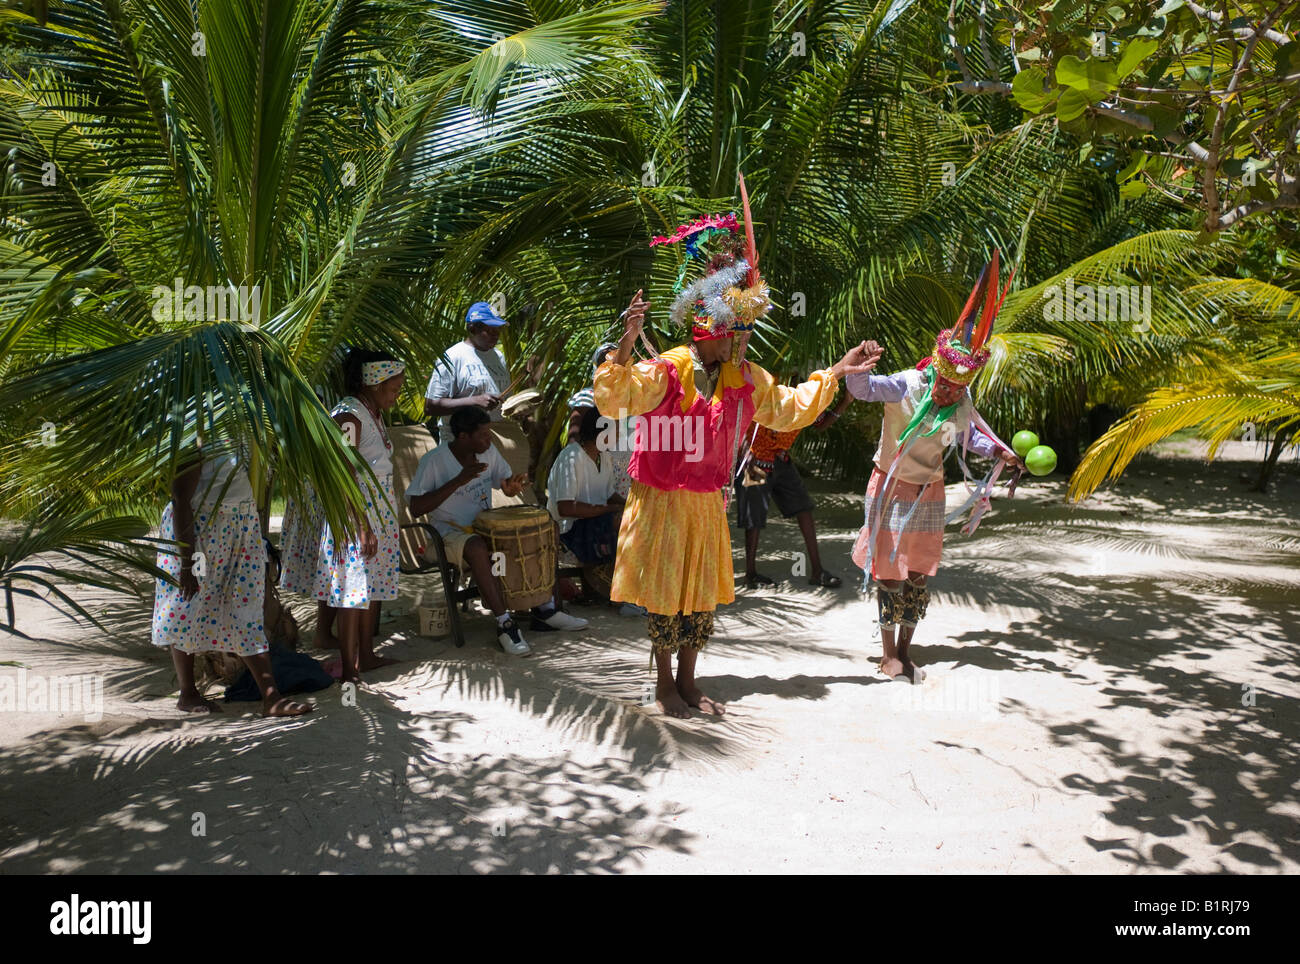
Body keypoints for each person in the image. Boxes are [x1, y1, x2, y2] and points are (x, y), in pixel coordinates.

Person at [594, 209, 880, 719]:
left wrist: (837, 370)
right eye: (735, 333)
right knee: (665, 593)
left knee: (699, 595)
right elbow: (614, 400)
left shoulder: (745, 377)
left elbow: (791, 405)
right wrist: (626, 342)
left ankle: (687, 679)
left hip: (705, 502)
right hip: (660, 499)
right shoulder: (668, 369)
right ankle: (663, 685)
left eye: (743, 332)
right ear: (709, 333)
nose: (741, 341)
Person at [847, 253, 1025, 683]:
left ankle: (906, 651)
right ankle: (889, 655)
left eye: (956, 389)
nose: (947, 394)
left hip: (930, 490)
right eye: (943, 386)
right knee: (889, 572)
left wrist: (1000, 452)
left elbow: (969, 437)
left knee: (921, 573)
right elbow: (862, 387)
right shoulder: (906, 384)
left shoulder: (960, 403)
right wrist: (856, 363)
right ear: (934, 373)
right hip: (890, 487)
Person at [406, 406, 589, 656]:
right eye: (482, 435)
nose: (489, 439)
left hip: (484, 526)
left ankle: (546, 609)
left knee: (545, 528)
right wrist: (458, 480)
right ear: (463, 437)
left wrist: (512, 488)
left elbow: (505, 485)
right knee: (477, 547)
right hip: (447, 534)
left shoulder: (488, 452)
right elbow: (416, 507)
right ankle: (505, 623)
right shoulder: (434, 461)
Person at [153, 447, 313, 717]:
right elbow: (181, 498)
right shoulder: (198, 425)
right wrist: (187, 562)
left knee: (246, 608)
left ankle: (271, 697)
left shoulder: (238, 423)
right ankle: (188, 692)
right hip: (202, 532)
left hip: (239, 529)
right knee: (187, 606)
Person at [314, 350, 405, 683]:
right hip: (356, 511)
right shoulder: (349, 416)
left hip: (376, 509)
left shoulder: (372, 413)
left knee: (369, 589)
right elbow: (344, 471)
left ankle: (366, 656)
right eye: (393, 390)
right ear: (375, 384)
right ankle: (349, 666)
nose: (396, 397)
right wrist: (362, 525)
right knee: (352, 589)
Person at [735, 382, 854, 589]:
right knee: (753, 518)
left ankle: (818, 572)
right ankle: (751, 573)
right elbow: (742, 419)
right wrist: (745, 450)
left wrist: (845, 401)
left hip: (781, 460)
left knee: (804, 509)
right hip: (756, 460)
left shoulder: (809, 403)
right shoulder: (774, 392)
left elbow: (821, 424)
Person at [547, 402, 625, 603]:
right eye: (615, 430)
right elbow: (565, 508)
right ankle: (621, 591)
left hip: (595, 521)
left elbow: (608, 494)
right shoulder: (571, 457)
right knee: (619, 519)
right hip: (570, 529)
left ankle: (625, 588)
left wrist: (631, 505)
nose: (618, 436)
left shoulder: (604, 456)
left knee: (634, 515)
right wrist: (613, 509)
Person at [424, 301, 511, 444]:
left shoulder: (498, 357)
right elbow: (430, 406)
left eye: (498, 330)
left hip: (492, 442)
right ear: (472, 328)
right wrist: (474, 401)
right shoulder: (453, 357)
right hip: (459, 446)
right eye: (490, 330)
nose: (496, 335)